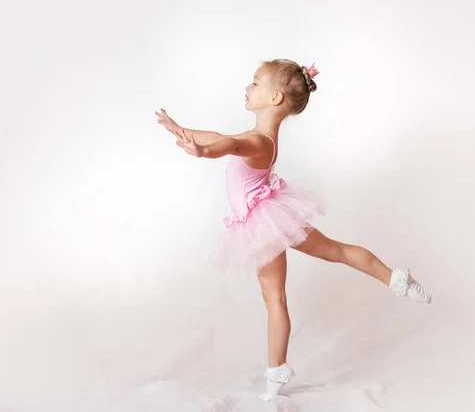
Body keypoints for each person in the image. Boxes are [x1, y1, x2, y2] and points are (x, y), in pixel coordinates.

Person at [155, 59, 431, 401]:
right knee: (327, 259)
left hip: (264, 222)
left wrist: (203, 151)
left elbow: (225, 145)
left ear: (274, 99)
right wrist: (181, 130)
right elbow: (221, 138)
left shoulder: (258, 142)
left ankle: (277, 374)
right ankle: (395, 280)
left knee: (279, 297)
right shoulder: (258, 135)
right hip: (265, 220)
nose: (247, 87)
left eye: (254, 83)